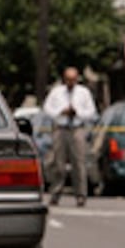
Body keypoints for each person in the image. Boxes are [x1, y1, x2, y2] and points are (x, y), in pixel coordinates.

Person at [42, 66, 98, 207]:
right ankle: (56, 193)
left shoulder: (83, 92)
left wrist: (77, 112)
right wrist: (61, 111)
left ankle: (81, 195)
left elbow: (91, 111)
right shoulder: (56, 92)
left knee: (79, 163)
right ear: (64, 79)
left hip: (77, 129)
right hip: (60, 129)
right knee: (58, 164)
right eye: (68, 79)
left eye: (73, 79)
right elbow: (47, 109)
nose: (71, 82)